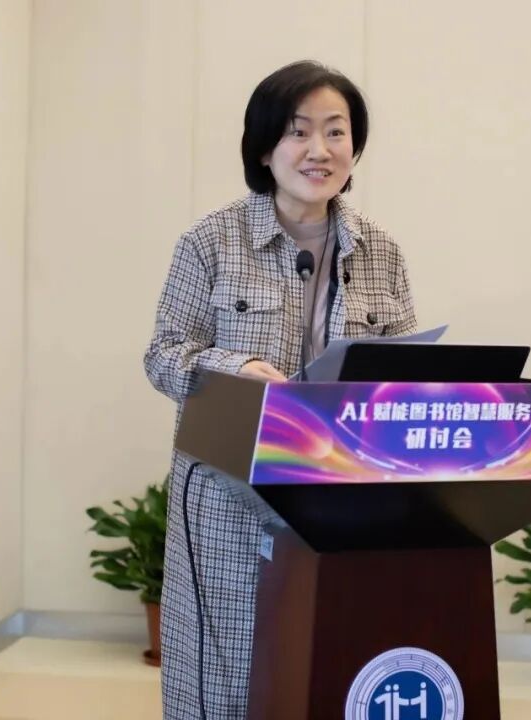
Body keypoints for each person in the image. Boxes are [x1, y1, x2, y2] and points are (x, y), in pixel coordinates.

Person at [144, 59, 417, 719]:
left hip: (343, 494)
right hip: (231, 497)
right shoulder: (211, 242)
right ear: (265, 148)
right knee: (229, 679)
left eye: (336, 132)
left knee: (326, 665)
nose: (319, 150)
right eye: (298, 132)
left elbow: (407, 369)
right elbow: (162, 355)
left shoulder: (381, 253)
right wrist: (233, 368)